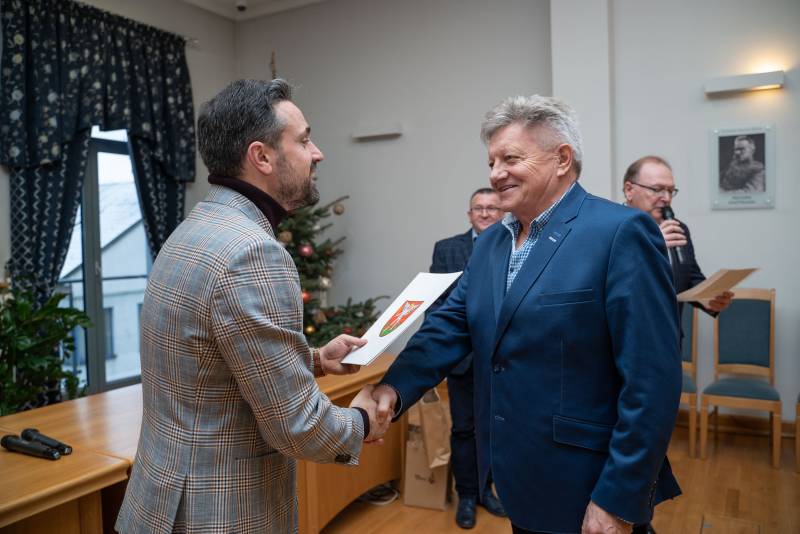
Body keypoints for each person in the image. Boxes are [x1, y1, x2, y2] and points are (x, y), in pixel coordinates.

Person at [370, 95, 682, 533]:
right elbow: (451, 325)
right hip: (516, 472)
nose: (496, 173)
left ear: (562, 159)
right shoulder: (490, 243)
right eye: (491, 161)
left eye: (511, 158)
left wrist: (618, 498)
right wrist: (393, 387)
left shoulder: (620, 232)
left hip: (588, 482)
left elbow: (652, 381)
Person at [116, 79, 387, 534]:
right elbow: (299, 426)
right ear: (261, 157)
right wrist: (363, 419)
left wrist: (315, 360)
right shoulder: (253, 253)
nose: (317, 153)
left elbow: (210, 366)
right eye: (304, 140)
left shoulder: (193, 228)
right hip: (217, 513)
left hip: (160, 504)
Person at [428, 188, 507, 529]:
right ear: (469, 214)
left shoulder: (515, 245)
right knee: (464, 429)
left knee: (494, 429)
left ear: (503, 213)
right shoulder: (447, 249)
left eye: (492, 208)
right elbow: (435, 304)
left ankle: (488, 490)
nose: (485, 213)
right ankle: (467, 496)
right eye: (479, 208)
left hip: (502, 361)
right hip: (462, 360)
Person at [623, 156, 733, 321]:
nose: (666, 198)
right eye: (657, 189)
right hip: (630, 333)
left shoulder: (677, 228)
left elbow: (689, 277)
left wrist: (710, 299)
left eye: (670, 190)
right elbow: (613, 285)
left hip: (672, 333)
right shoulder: (610, 228)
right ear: (629, 190)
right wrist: (652, 247)